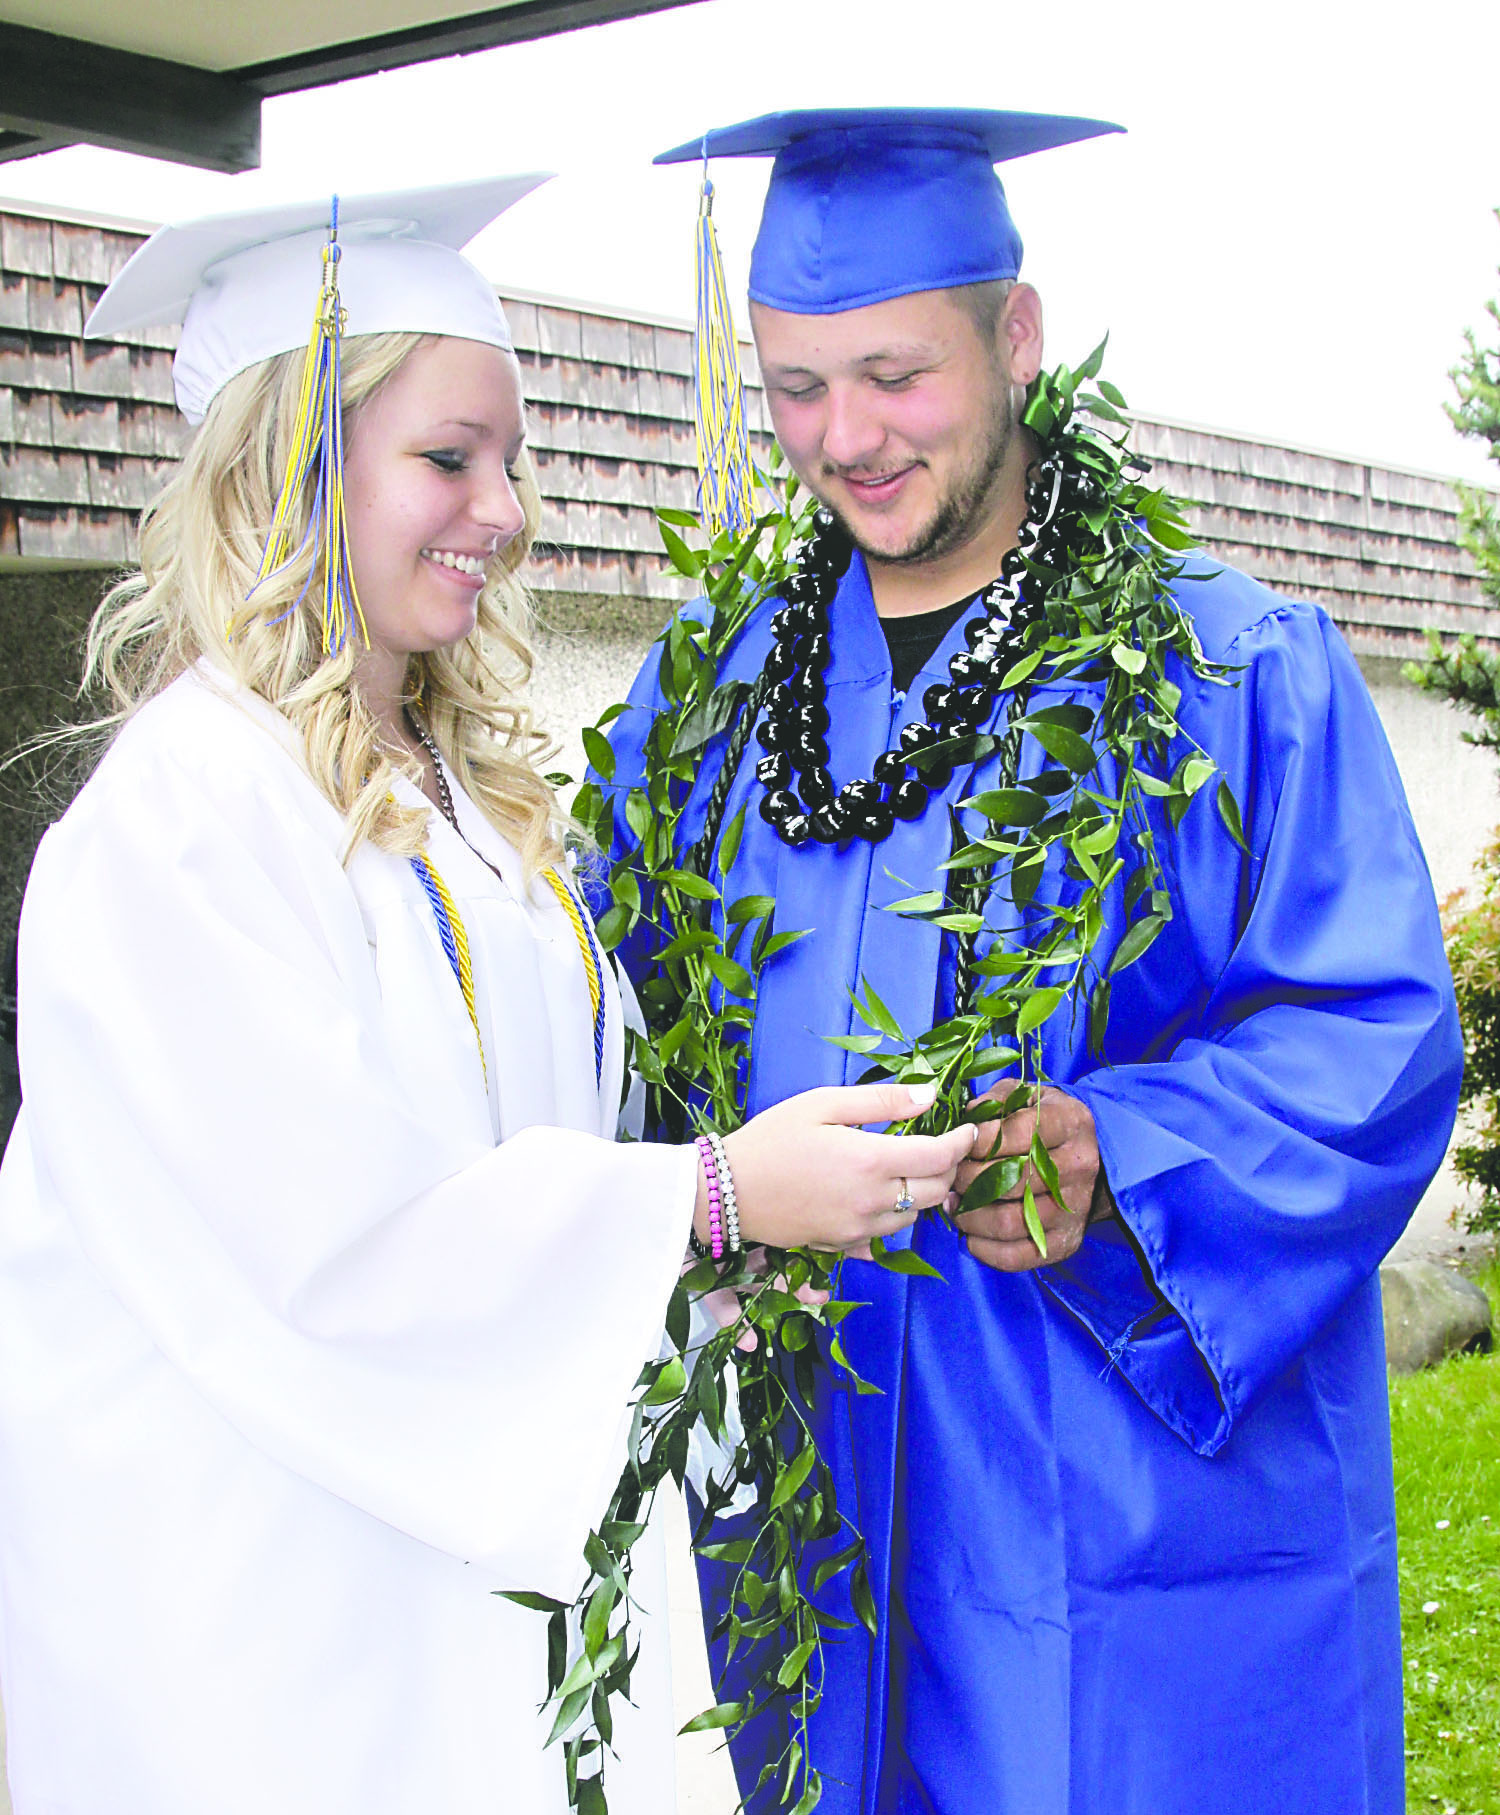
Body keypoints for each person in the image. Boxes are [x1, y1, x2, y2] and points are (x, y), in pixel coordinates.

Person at [0, 175, 976, 1815]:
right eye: (448, 459)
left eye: (509, 459)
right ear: (288, 472)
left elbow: (514, 1136)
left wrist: (710, 1273)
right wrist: (714, 1194)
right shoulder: (184, 821)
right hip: (269, 1592)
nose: (507, 509)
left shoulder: (455, 794)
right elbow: (324, 1242)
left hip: (461, 1553)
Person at [602, 111, 1465, 1815]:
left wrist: (1116, 1148)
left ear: (1016, 337)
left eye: (893, 373)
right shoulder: (699, 722)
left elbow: (1372, 1041)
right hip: (816, 1530)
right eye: (792, 387)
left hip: (1132, 1539)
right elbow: (608, 1058)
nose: (843, 436)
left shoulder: (1228, 674)